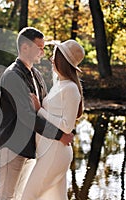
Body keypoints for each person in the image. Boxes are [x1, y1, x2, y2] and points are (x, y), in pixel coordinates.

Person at [0, 27, 74, 200]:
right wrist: (59, 135)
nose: (43, 52)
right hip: (13, 146)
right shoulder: (12, 76)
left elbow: (43, 109)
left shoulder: (36, 74)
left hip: (31, 147)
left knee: (21, 195)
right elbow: (27, 116)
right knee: (6, 196)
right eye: (39, 47)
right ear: (25, 47)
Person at [21, 39, 85, 199]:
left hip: (55, 153)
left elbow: (67, 126)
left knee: (28, 196)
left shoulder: (70, 88)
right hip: (47, 150)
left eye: (54, 56)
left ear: (61, 61)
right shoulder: (60, 84)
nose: (51, 59)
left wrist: (40, 110)